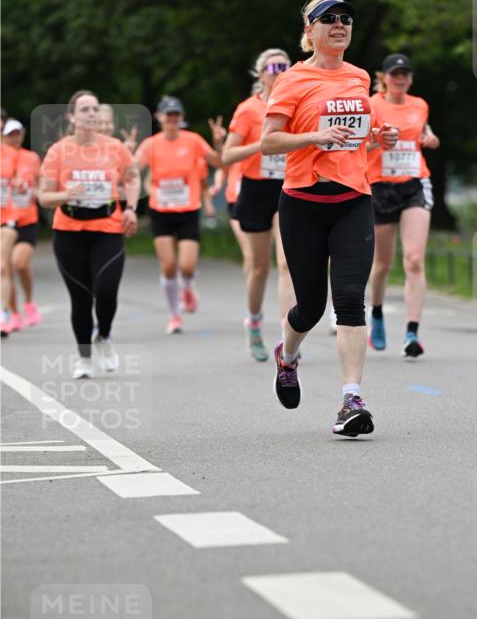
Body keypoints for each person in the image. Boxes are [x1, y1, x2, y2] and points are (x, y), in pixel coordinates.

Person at [261, 0, 398, 436]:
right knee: (310, 308)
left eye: (345, 19)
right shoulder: (292, 81)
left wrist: (382, 135)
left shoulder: (360, 78)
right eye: (328, 19)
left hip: (353, 201)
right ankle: (288, 355)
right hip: (302, 204)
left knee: (349, 301)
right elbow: (269, 142)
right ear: (309, 30)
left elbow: (361, 134)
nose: (339, 25)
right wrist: (314, 136)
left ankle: (350, 400)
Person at [38, 89, 140, 378]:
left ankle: (104, 337)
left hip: (107, 228)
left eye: (95, 109)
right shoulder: (58, 151)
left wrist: (131, 208)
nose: (92, 114)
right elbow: (43, 197)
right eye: (85, 110)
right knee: (81, 299)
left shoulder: (115, 147)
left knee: (106, 291)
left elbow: (132, 178)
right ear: (72, 116)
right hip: (68, 232)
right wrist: (64, 194)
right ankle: (83, 357)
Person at [222, 50, 295, 361]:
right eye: (273, 67)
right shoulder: (248, 110)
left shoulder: (297, 105)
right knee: (258, 266)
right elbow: (226, 156)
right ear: (260, 73)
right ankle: (253, 322)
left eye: (285, 66)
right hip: (255, 189)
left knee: (286, 263)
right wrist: (263, 144)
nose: (279, 72)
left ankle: (286, 338)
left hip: (288, 186)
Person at [367, 53, 440, 357]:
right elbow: (359, 144)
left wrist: (430, 137)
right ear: (383, 77)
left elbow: (422, 131)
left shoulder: (420, 104)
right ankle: (378, 313)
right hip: (379, 185)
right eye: (395, 73)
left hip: (414, 183)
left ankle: (412, 333)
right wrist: (378, 143)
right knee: (382, 264)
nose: (401, 78)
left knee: (413, 259)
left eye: (405, 74)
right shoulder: (371, 105)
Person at [134, 97, 224, 334]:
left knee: (186, 266)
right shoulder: (150, 144)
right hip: (161, 211)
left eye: (176, 114)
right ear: (159, 117)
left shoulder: (193, 141)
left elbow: (218, 161)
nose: (172, 119)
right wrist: (125, 151)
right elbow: (132, 169)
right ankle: (174, 315)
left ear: (181, 117)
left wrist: (218, 143)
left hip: (188, 211)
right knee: (168, 266)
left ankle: (187, 288)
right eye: (168, 115)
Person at [2, 119, 42, 329]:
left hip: (27, 218)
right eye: (10, 134)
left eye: (18, 133)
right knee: (5, 268)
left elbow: (43, 184)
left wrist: (31, 191)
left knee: (20, 262)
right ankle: (12, 313)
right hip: (5, 220)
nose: (14, 138)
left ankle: (29, 303)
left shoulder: (31, 158)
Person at [0, 125, 18, 337]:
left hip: (8, 217)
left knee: (3, 266)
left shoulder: (13, 156)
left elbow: (25, 178)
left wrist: (20, 182)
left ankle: (3, 315)